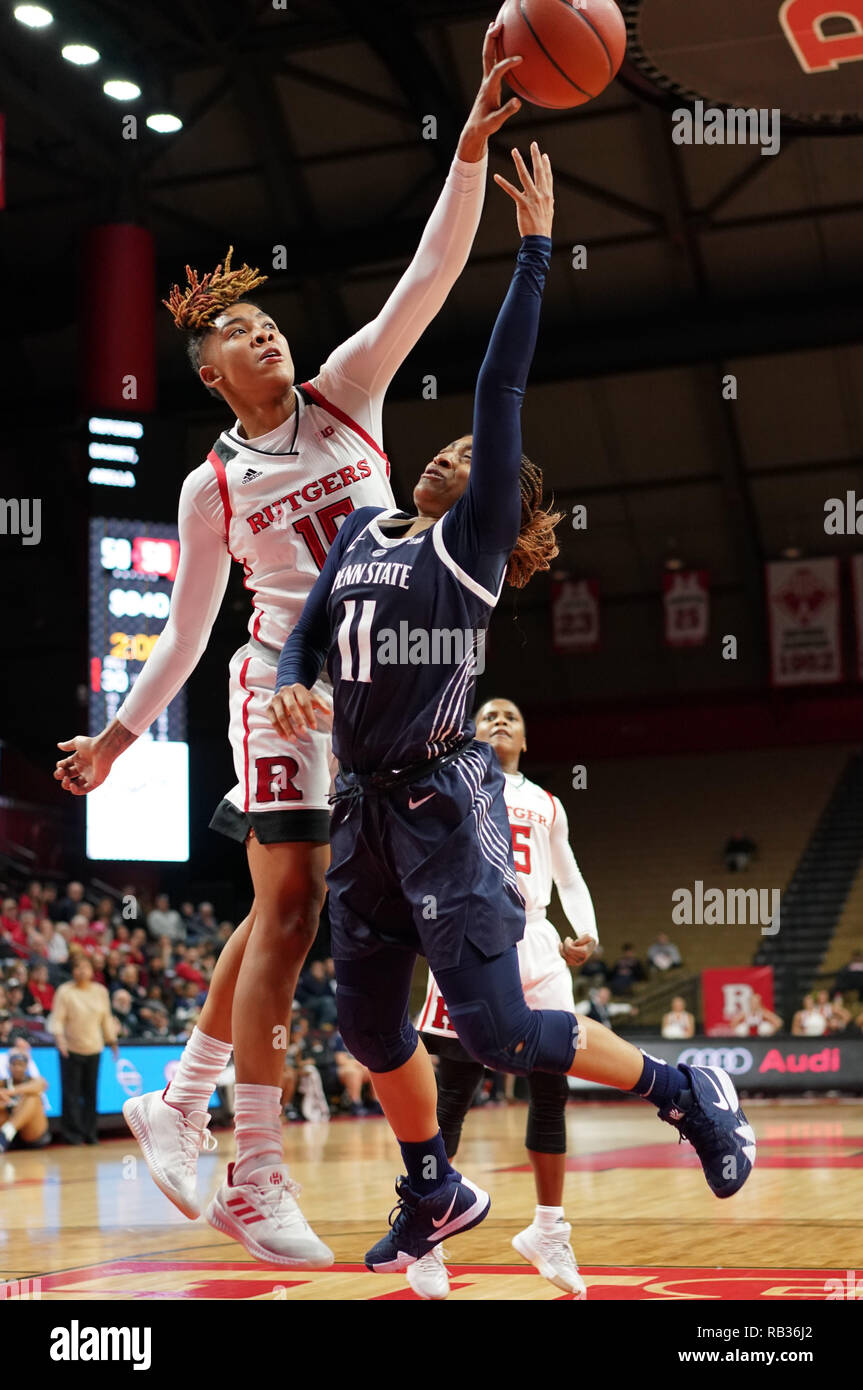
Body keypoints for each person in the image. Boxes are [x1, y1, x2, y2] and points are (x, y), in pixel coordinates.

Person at [53, 24, 525, 1267]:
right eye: (244, 337)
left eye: (273, 328)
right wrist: (114, 735)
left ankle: (186, 1098)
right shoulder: (210, 486)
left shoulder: (349, 394)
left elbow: (425, 276)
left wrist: (467, 150)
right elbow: (189, 627)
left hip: (372, 687)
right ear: (211, 373)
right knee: (294, 902)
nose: (269, 340)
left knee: (293, 912)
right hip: (277, 690)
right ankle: (252, 1167)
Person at [270, 146, 756, 1276]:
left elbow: (495, 391)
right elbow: (305, 625)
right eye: (435, 448)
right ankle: (433, 1186)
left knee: (489, 1034)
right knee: (371, 1031)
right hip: (362, 806)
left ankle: (683, 1084)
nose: (447, 452)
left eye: (467, 456)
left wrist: (532, 251)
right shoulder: (361, 529)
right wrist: (297, 672)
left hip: (443, 798)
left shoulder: (469, 543)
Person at [412, 696, 597, 1298]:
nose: (498, 722)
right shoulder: (450, 784)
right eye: (488, 714)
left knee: (552, 1086)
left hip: (538, 940)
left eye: (511, 717)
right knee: (452, 1095)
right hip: (472, 933)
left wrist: (586, 928)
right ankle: (426, 1237)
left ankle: (549, 1229)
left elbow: (568, 874)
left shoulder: (548, 802)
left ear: (526, 739)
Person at [48, 956, 118, 1145]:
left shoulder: (100, 991)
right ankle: (72, 1134)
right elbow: (57, 1019)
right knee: (71, 1093)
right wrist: (59, 1040)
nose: (82, 971)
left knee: (90, 1092)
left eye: (86, 967)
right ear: (73, 971)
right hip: (70, 1048)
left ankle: (90, 1133)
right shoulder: (65, 991)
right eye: (78, 967)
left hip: (94, 1047)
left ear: (92, 971)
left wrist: (112, 1041)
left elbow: (106, 1018)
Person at [0, 1047, 51, 1152]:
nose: (17, 1068)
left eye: (21, 1064)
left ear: (26, 1066)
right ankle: (6, 1133)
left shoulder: (35, 1081)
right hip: (10, 1138)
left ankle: (8, 1131)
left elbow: (40, 1085)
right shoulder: (3, 1083)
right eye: (14, 1064)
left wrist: (12, 1092)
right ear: (8, 1066)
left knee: (32, 1097)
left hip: (31, 1135)